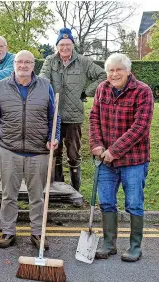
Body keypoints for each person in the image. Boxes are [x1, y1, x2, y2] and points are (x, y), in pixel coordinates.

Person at [0, 50, 61, 249]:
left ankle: (38, 233)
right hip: (9, 151)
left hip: (38, 152)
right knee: (8, 196)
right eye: (20, 62)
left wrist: (53, 137)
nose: (23, 66)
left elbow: (54, 118)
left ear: (33, 65)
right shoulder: (0, 86)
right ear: (14, 64)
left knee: (37, 197)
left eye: (28, 62)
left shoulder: (45, 85)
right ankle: (8, 232)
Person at [90, 53, 153, 262]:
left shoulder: (142, 91)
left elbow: (140, 127)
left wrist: (113, 151)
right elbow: (94, 118)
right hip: (105, 161)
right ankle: (109, 244)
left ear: (128, 70)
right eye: (110, 70)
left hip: (133, 161)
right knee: (106, 202)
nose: (114, 74)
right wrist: (97, 144)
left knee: (134, 203)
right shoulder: (102, 88)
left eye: (118, 69)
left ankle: (135, 247)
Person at [39, 27, 106, 200]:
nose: (65, 48)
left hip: (73, 116)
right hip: (53, 115)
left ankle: (75, 191)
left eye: (68, 44)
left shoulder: (83, 61)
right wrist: (47, 94)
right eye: (62, 44)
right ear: (57, 46)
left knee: (73, 154)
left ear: (73, 45)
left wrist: (86, 91)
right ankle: (57, 190)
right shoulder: (50, 61)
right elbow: (43, 79)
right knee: (54, 152)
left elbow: (102, 76)